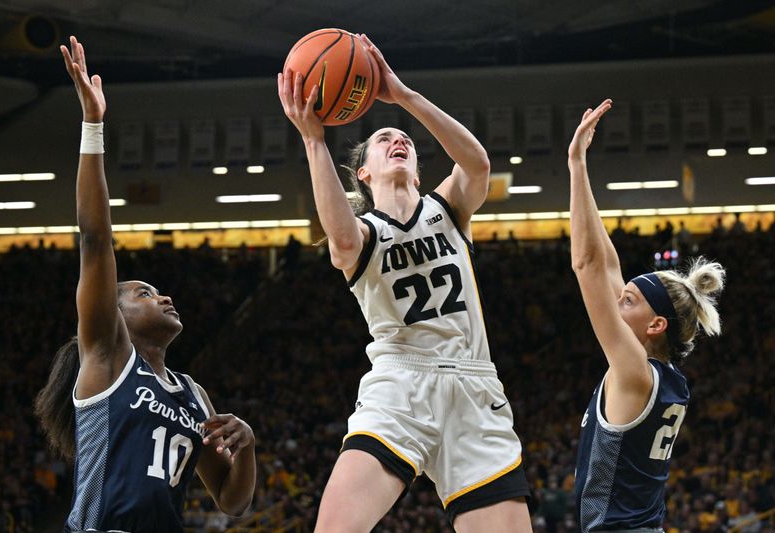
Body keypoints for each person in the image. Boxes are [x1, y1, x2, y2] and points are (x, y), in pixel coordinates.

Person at [278, 34, 531, 532]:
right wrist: (313, 139)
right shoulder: (362, 235)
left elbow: (477, 164)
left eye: (407, 142)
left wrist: (403, 95)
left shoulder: (448, 209)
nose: (399, 141)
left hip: (475, 386)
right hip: (401, 384)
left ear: (416, 171)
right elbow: (342, 239)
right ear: (364, 174)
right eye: (383, 140)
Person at [33, 36, 256, 532]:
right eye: (144, 293)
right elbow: (95, 239)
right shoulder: (109, 356)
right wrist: (93, 125)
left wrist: (247, 447)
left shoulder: (194, 395)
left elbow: (231, 501)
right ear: (116, 317)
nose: (164, 296)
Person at [567, 99, 726, 532]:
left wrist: (576, 165)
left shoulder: (635, 372)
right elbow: (606, 265)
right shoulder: (661, 375)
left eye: (629, 300)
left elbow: (586, 265)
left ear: (656, 325)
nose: (618, 299)